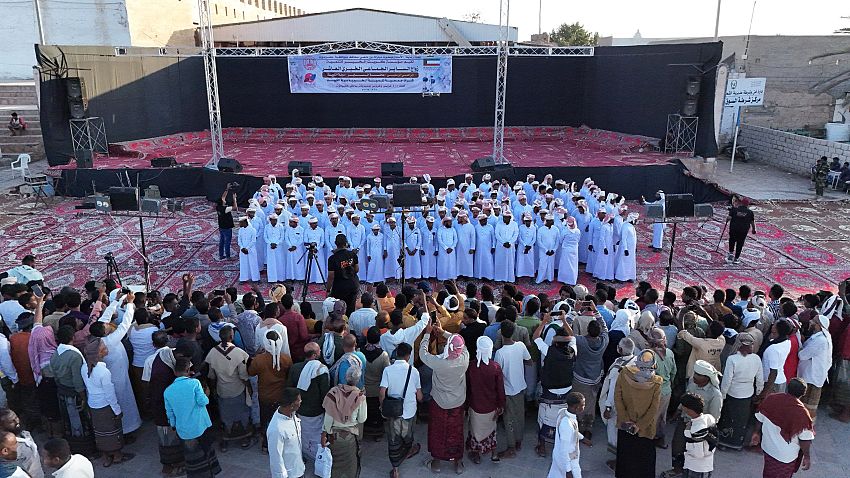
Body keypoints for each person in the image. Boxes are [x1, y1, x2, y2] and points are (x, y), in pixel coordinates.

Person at [419, 323, 468, 474]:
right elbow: (461, 342)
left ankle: (436, 463)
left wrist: (427, 334)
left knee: (438, 432)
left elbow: (422, 353)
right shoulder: (464, 358)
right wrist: (443, 332)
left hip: (439, 403)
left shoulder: (439, 363)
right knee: (456, 431)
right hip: (457, 402)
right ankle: (458, 462)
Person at [163, 357, 220, 477]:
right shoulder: (194, 383)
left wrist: (174, 425)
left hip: (184, 430)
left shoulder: (168, 391)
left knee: (192, 457)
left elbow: (170, 413)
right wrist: (207, 394)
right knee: (206, 452)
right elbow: (203, 401)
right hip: (201, 426)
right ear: (188, 370)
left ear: (175, 372)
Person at [80, 337, 133, 467]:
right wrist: (117, 410)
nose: (106, 348)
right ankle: (117, 455)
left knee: (100, 432)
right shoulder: (103, 371)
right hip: (105, 406)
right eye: (103, 347)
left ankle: (105, 457)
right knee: (113, 431)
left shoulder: (84, 367)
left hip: (94, 405)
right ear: (99, 353)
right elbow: (110, 395)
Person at [613, 349, 663, 478]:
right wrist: (639, 425)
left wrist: (626, 420)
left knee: (626, 458)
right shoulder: (656, 382)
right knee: (643, 462)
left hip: (625, 426)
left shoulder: (624, 373)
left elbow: (617, 397)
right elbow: (654, 408)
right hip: (645, 429)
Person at [752, 378, 814, 478]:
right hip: (785, 457)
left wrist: (756, 432)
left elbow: (760, 416)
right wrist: (807, 457)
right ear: (803, 393)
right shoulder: (802, 414)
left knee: (768, 473)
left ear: (787, 388)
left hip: (768, 448)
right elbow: (805, 439)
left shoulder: (771, 399)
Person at [50, 324, 96, 456]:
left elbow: (55, 375)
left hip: (62, 392)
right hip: (74, 394)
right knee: (80, 422)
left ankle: (73, 447)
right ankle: (86, 450)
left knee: (69, 423)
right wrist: (83, 397)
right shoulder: (74, 356)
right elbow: (78, 381)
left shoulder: (55, 354)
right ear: (73, 337)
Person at [205, 326, 253, 450]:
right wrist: (249, 387)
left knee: (225, 415)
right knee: (242, 414)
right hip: (238, 389)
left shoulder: (212, 352)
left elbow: (211, 375)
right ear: (232, 337)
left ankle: (226, 440)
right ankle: (244, 438)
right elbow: (243, 376)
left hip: (222, 390)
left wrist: (213, 389)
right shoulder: (239, 353)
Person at [143, 331, 184, 476]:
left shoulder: (150, 360)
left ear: (153, 344)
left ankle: (168, 464)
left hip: (160, 402)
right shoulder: (175, 355)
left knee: (164, 434)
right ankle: (176, 463)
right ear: (168, 340)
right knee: (176, 431)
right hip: (173, 402)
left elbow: (146, 383)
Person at [379, 342, 422, 478]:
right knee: (407, 435)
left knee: (393, 441)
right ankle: (408, 450)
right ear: (408, 356)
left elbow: (382, 392)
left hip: (393, 412)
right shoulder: (414, 371)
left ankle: (396, 470)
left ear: (397, 354)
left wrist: (382, 406)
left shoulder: (388, 370)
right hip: (409, 411)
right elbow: (419, 396)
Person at [248, 330, 293, 453]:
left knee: (266, 420)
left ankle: (266, 445)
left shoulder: (259, 360)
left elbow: (251, 372)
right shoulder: (286, 359)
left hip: (265, 396)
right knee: (281, 421)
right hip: (281, 396)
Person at [717, 332, 763, 450]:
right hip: (747, 394)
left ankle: (724, 443)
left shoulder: (732, 359)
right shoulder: (756, 359)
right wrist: (758, 394)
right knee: (741, 420)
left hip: (733, 393)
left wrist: (722, 395)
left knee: (728, 418)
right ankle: (737, 444)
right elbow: (759, 379)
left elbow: (727, 380)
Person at [286, 342, 329, 462]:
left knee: (302, 433)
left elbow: (289, 388)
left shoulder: (295, 368)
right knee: (315, 435)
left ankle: (304, 453)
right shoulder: (321, 371)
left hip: (299, 409)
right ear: (315, 354)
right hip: (316, 410)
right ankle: (316, 456)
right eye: (319, 351)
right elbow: (324, 393)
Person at [494, 320, 531, 459]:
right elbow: (529, 361)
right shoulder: (520, 345)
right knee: (519, 416)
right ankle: (518, 441)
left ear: (501, 334)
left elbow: (497, 373)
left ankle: (511, 447)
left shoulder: (500, 353)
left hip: (507, 391)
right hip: (520, 387)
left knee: (508, 419)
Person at [321, 367, 367, 478]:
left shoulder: (333, 393)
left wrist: (324, 434)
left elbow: (328, 419)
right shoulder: (360, 397)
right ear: (358, 379)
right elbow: (362, 419)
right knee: (350, 466)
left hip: (333, 437)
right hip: (349, 437)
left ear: (346, 377)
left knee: (333, 464)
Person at [465, 336, 504, 464]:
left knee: (475, 432)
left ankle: (476, 455)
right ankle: (494, 453)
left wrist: (466, 405)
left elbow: (467, 387)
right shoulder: (495, 367)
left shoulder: (471, 366)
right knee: (491, 431)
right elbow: (500, 389)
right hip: (491, 406)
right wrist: (501, 405)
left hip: (475, 405)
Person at [797, 314, 831, 422]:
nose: (811, 322)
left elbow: (803, 355)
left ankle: (804, 426)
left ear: (818, 325)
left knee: (807, 405)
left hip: (811, 376)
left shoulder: (820, 341)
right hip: (812, 374)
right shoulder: (818, 337)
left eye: (814, 321)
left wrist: (799, 347)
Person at [267, 388, 305, 478]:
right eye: (299, 400)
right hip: (290, 474)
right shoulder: (276, 429)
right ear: (291, 405)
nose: (301, 402)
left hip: (299, 468)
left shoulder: (292, 414)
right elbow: (276, 458)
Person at [547, 392, 585, 478]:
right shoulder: (567, 424)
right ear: (576, 407)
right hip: (569, 459)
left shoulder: (562, 412)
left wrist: (582, 438)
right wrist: (568, 470)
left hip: (558, 456)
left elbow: (573, 431)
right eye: (583, 405)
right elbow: (564, 449)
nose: (584, 407)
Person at [362, 327, 390, 440]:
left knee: (366, 411)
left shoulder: (360, 352)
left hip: (364, 389)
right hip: (377, 390)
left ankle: (366, 431)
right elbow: (387, 373)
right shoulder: (383, 355)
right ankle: (377, 433)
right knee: (376, 413)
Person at [680, 392, 717, 478]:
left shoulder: (696, 429)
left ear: (688, 409)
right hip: (707, 464)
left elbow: (698, 454)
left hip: (695, 468)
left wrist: (688, 431)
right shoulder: (709, 418)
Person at [0, 409, 43, 478]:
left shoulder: (24, 434)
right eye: (11, 421)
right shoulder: (7, 448)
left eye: (16, 417)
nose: (17, 421)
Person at [327, 234, 360, 316]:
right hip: (353, 285)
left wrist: (328, 289)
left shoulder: (332, 258)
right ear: (346, 243)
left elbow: (331, 276)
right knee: (351, 308)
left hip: (339, 287)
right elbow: (356, 269)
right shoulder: (353, 255)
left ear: (335, 244)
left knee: (338, 309)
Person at [726, 195, 756, 264]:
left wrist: (727, 221)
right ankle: (736, 258)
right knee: (740, 243)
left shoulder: (734, 210)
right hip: (743, 231)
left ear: (741, 203)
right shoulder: (750, 212)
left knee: (732, 240)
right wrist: (753, 230)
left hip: (734, 229)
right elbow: (752, 222)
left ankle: (730, 253)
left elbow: (729, 218)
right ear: (747, 205)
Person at [215, 186, 237, 260]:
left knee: (222, 241)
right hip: (227, 227)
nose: (224, 200)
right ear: (222, 203)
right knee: (227, 242)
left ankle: (221, 255)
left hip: (221, 226)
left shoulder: (218, 207)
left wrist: (227, 189)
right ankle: (228, 256)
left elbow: (223, 197)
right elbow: (235, 207)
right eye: (223, 200)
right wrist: (234, 199)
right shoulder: (225, 209)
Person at [237, 216, 260, 282]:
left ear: (245, 222)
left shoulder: (253, 230)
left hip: (251, 250)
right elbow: (239, 240)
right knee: (244, 264)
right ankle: (244, 278)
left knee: (253, 264)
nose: (239, 224)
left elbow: (253, 241)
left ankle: (255, 278)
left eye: (240, 222)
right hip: (242, 250)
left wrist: (247, 248)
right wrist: (242, 248)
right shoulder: (240, 230)